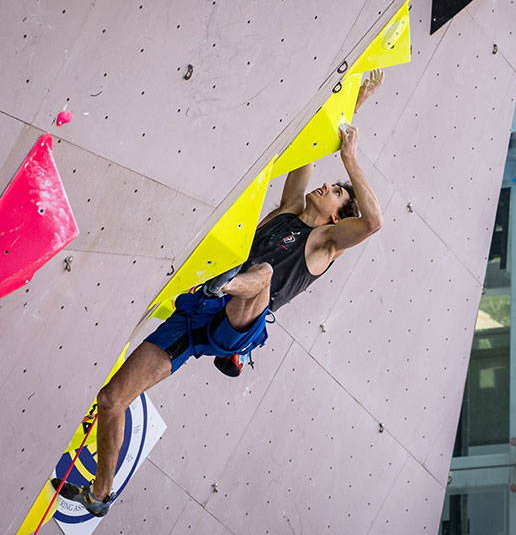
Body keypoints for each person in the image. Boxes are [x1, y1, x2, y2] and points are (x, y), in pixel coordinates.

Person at [53, 70, 385, 517]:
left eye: (336, 193)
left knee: (264, 273)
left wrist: (351, 159)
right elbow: (309, 140)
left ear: (335, 220)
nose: (327, 186)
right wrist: (353, 106)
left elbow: (373, 222)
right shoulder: (289, 210)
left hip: (240, 324)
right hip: (199, 320)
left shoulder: (325, 246)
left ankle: (222, 283)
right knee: (112, 399)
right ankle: (100, 495)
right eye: (330, 183)